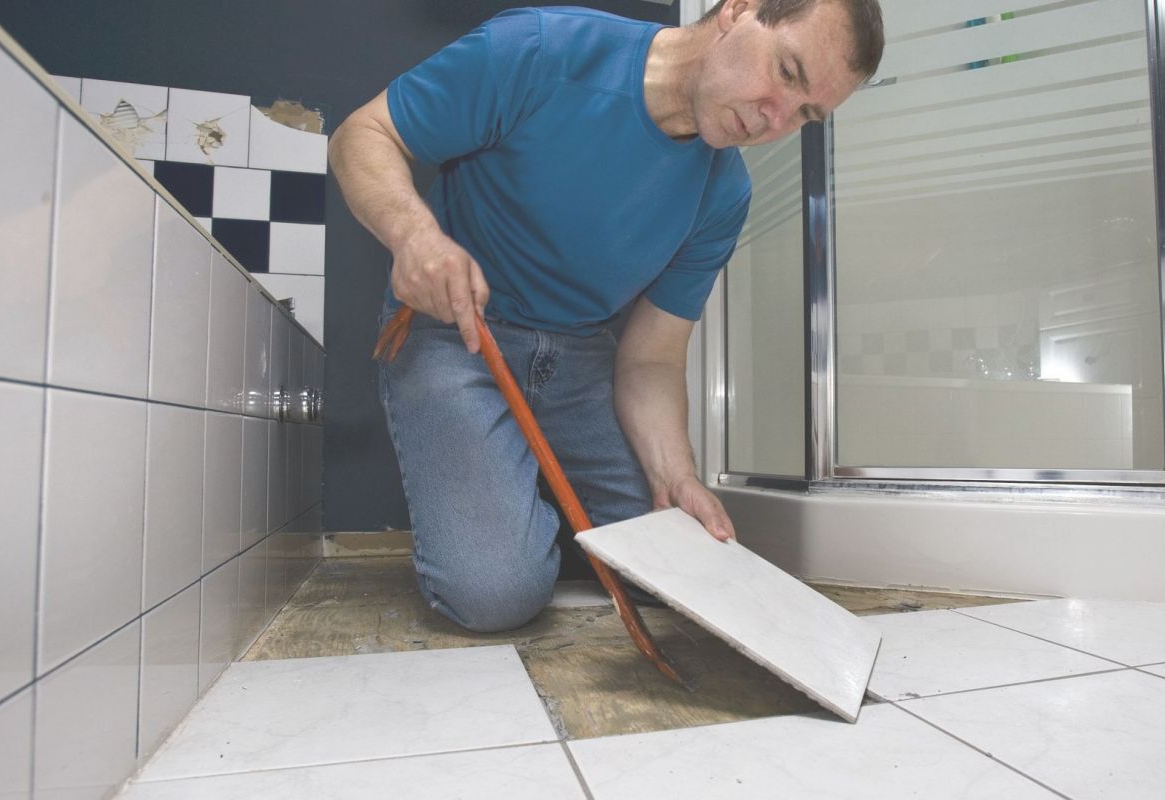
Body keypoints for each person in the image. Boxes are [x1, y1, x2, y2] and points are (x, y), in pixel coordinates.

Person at [329, 0, 883, 632]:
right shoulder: (541, 51)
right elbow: (364, 133)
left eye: (807, 114)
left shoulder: (724, 194)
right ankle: (492, 517)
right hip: (458, 332)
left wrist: (676, 477)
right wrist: (414, 237)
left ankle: (508, 495)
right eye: (787, 72)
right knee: (498, 595)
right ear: (738, 10)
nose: (775, 120)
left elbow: (650, 357)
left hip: (580, 361)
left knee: (677, 574)